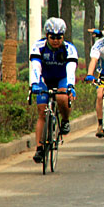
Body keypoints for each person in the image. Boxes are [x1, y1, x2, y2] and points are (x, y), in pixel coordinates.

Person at [30, 18, 78, 163]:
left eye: (59, 37)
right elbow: (35, 67)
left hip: (62, 79)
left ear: (63, 36)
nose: (56, 40)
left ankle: (65, 120)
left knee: (62, 98)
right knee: (42, 111)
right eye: (52, 37)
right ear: (46, 35)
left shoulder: (69, 48)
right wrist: (34, 84)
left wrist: (70, 85)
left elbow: (71, 70)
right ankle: (39, 149)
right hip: (45, 80)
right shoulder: (38, 46)